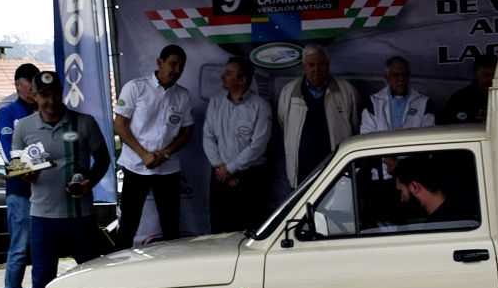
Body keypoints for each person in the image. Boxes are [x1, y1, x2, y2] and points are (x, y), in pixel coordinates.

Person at [14, 69, 111, 288]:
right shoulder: (23, 127)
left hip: (79, 216)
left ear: (62, 93)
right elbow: (18, 170)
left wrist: (89, 182)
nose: (51, 101)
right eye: (44, 95)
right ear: (34, 96)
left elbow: (103, 158)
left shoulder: (84, 122)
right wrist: (26, 175)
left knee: (91, 278)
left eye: (55, 94)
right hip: (42, 217)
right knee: (42, 282)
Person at [114, 44, 195, 249]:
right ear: (160, 62)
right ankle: (120, 265)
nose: (177, 70)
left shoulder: (182, 95)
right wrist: (144, 155)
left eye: (181, 66)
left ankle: (170, 267)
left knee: (171, 225)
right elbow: (119, 125)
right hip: (136, 166)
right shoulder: (136, 87)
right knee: (128, 224)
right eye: (173, 64)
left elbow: (187, 132)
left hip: (167, 168)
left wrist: (165, 154)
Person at [202, 56, 273, 233]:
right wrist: (222, 169)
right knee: (219, 229)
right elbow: (208, 137)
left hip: (250, 177)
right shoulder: (216, 102)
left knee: (248, 230)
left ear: (242, 80)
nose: (222, 76)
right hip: (219, 175)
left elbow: (258, 145)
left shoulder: (261, 106)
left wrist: (231, 168)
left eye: (228, 73)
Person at [0, 62, 40, 288]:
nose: (33, 88)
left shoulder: (44, 110)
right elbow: (7, 150)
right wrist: (28, 171)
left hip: (46, 190)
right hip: (20, 189)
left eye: (36, 82)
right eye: (29, 82)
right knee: (20, 246)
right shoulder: (7, 112)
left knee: (42, 247)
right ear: (18, 85)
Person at [278, 43, 361, 188]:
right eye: (311, 65)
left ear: (328, 65)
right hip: (302, 174)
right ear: (303, 66)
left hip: (337, 170)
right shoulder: (289, 92)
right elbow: (283, 127)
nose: (316, 69)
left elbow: (357, 128)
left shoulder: (346, 90)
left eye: (321, 64)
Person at [361, 56, 435, 134]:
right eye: (396, 75)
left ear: (409, 76)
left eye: (404, 74)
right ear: (387, 77)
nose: (401, 79)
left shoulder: (424, 102)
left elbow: (429, 133)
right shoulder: (373, 102)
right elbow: (366, 134)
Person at [393, 153, 471, 224]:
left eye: (401, 191)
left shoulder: (437, 225)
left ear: (415, 187)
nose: (401, 199)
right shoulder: (459, 211)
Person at [438, 53, 498, 125]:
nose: (491, 79)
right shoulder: (460, 99)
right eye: (486, 75)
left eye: (495, 75)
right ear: (476, 73)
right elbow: (445, 126)